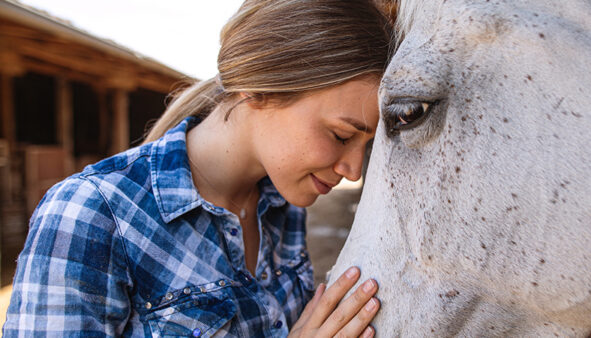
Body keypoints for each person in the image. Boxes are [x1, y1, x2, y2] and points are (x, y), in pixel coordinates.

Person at [3, 0, 391, 336]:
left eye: (366, 144)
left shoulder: (281, 206)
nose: (354, 171)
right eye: (341, 136)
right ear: (259, 88)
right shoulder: (91, 214)